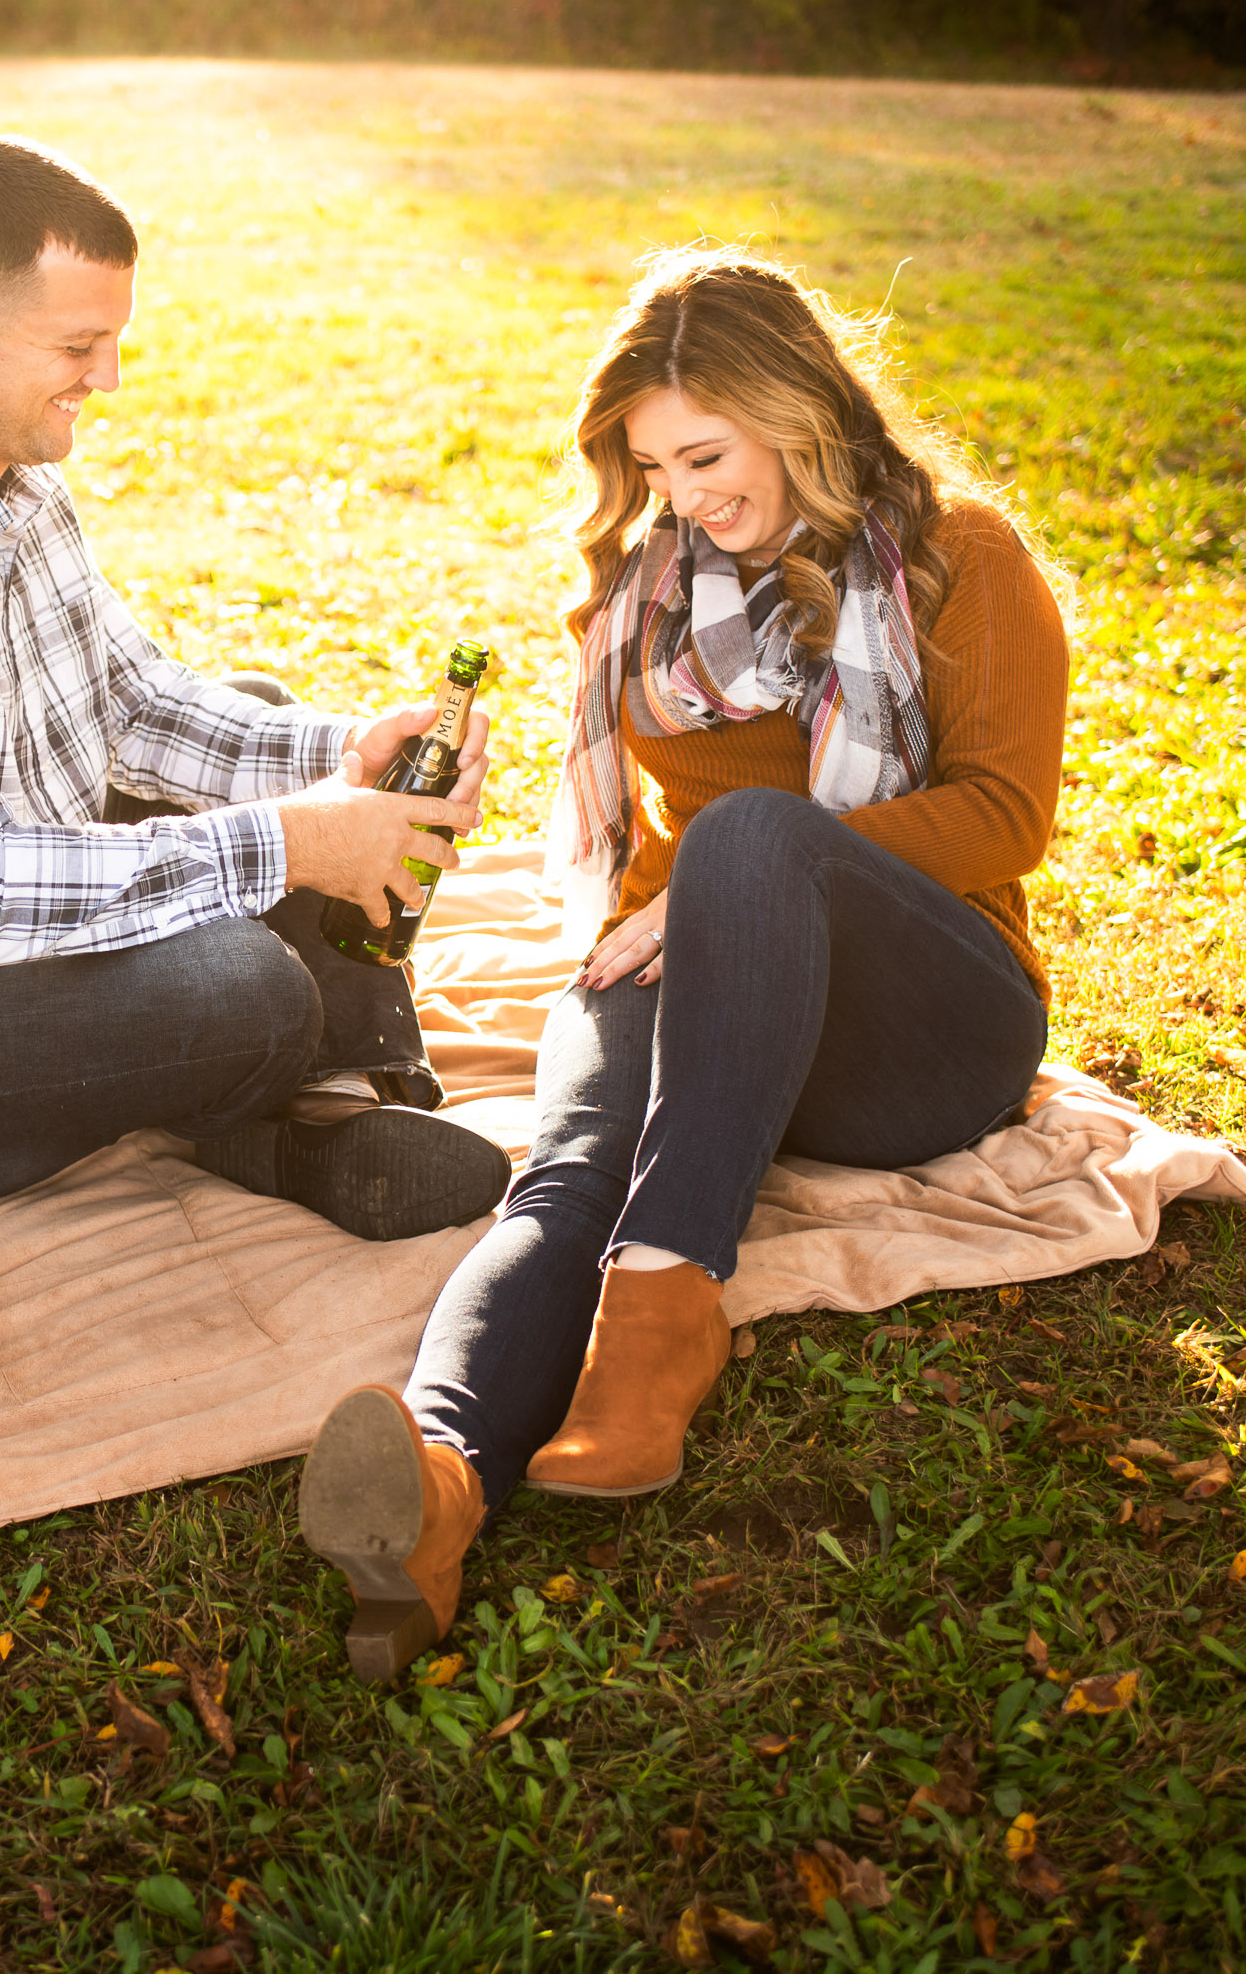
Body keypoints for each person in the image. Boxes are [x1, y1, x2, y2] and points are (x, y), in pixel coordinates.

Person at [296, 248, 1070, 1682]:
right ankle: (440, 1492)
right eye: (654, 467)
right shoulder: (653, 586)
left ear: (799, 409)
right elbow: (654, 825)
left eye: (706, 453)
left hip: (923, 1029)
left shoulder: (968, 556)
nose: (685, 495)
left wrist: (725, 884)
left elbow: (1004, 816)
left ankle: (663, 1323)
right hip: (706, 979)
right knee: (571, 1166)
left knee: (751, 843)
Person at [0, 137, 511, 1242]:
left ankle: (333, 1097)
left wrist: (342, 758)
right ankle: (266, 1096)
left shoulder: (7, 467)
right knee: (241, 984)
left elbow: (127, 704)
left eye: (112, 341)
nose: (107, 378)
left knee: (261, 725)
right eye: (79, 344)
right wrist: (297, 844)